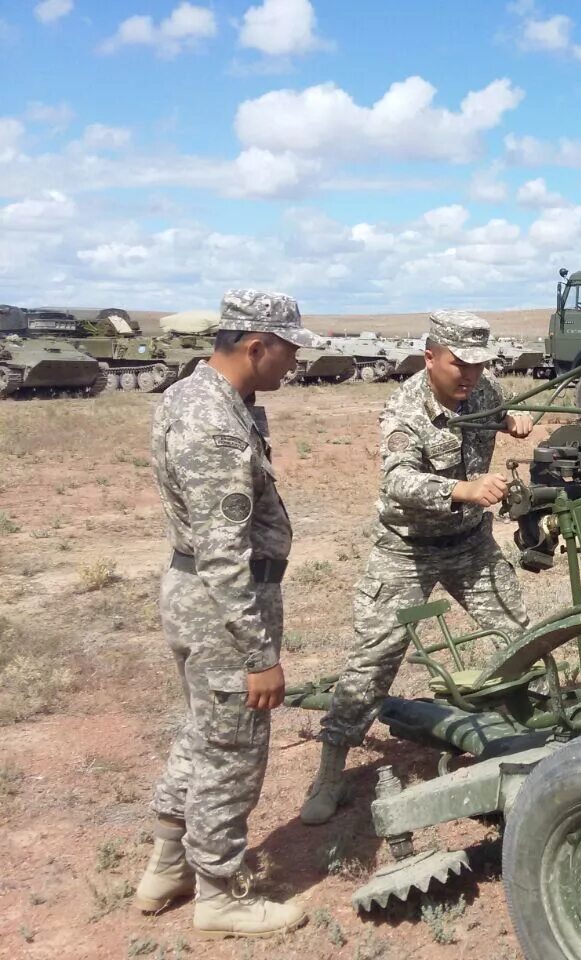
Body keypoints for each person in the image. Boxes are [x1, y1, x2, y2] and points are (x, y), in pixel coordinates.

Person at [136, 289, 321, 938]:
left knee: (202, 734)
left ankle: (168, 864)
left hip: (196, 599)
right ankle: (220, 892)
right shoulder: (214, 425)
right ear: (255, 346)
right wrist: (259, 655)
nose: (293, 364)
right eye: (288, 352)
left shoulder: (196, 395)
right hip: (224, 609)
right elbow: (223, 555)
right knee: (232, 754)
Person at [300, 310, 533, 825]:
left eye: (479, 364)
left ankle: (532, 731)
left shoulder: (484, 391)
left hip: (470, 542)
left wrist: (512, 420)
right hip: (406, 549)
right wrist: (461, 489)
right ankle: (331, 772)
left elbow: (499, 414)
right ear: (430, 357)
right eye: (459, 365)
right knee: (375, 656)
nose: (470, 375)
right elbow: (397, 480)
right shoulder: (404, 409)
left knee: (519, 634)